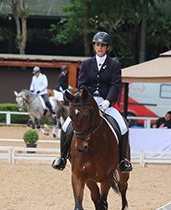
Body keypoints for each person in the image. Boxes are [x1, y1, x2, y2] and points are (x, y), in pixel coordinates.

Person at [52, 31, 132, 173]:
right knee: (65, 126)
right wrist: (85, 98)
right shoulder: (86, 64)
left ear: (108, 47)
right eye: (97, 45)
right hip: (87, 102)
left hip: (107, 102)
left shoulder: (114, 64)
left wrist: (108, 101)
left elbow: (115, 85)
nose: (100, 47)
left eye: (102, 45)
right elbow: (82, 83)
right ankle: (62, 158)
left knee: (123, 126)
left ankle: (122, 161)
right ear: (94, 46)